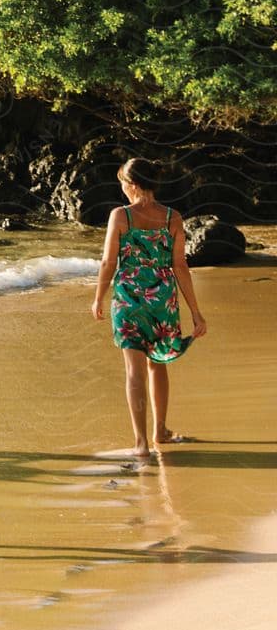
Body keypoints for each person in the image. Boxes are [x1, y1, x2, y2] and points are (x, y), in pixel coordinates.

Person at [92, 157, 207, 457]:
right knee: (158, 365)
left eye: (123, 186)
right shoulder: (173, 218)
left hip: (128, 301)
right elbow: (180, 265)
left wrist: (98, 297)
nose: (123, 192)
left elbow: (108, 262)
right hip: (162, 303)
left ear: (132, 185)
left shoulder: (121, 216)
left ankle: (141, 443)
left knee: (134, 370)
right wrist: (195, 311)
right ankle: (161, 431)